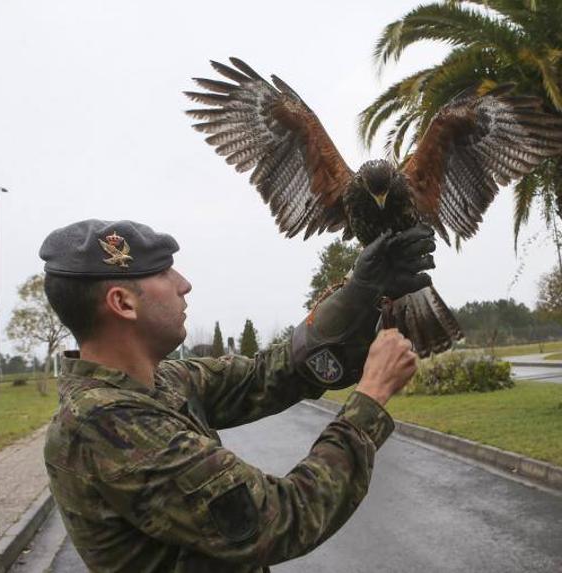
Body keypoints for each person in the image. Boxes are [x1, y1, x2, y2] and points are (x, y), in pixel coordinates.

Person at [40, 218, 435, 572]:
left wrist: (359, 292)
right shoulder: (106, 423)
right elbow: (278, 520)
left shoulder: (161, 382)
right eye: (162, 272)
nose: (184, 284)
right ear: (122, 303)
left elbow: (272, 373)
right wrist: (370, 397)